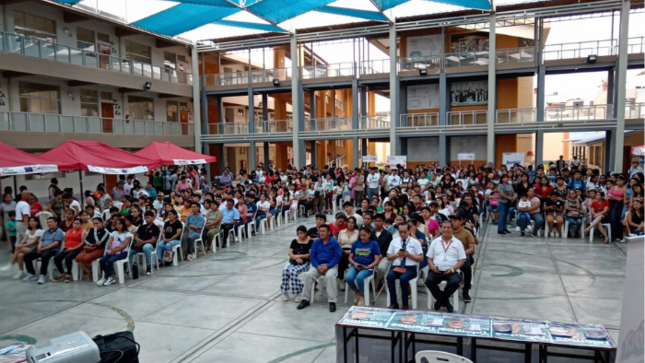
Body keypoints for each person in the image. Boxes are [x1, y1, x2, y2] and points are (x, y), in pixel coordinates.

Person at [297, 224, 342, 312]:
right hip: (317, 266)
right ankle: (305, 299)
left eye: (323, 231)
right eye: (320, 231)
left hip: (331, 266)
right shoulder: (316, 242)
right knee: (308, 275)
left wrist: (328, 266)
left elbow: (337, 257)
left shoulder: (335, 243)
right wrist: (317, 266)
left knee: (329, 276)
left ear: (329, 232)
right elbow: (312, 257)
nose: (321, 233)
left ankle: (332, 302)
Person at [425, 220, 466, 313]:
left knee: (455, 282)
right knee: (429, 281)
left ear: (452, 229)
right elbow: (429, 258)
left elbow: (462, 260)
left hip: (452, 270)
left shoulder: (458, 243)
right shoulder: (435, 242)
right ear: (440, 229)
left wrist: (452, 269)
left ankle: (440, 301)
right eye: (444, 227)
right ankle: (445, 302)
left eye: (448, 227)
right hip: (437, 270)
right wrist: (432, 267)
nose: (446, 229)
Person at [386, 223, 424, 310]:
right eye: (400, 232)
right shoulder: (394, 241)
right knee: (390, 276)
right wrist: (397, 254)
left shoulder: (415, 242)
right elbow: (388, 257)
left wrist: (409, 255)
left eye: (404, 232)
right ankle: (393, 302)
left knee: (403, 278)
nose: (402, 234)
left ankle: (405, 303)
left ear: (409, 231)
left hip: (410, 268)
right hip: (397, 267)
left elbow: (421, 258)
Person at [345, 226, 382, 306]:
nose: (362, 237)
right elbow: (350, 258)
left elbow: (377, 259)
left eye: (364, 235)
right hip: (356, 265)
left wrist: (369, 266)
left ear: (369, 234)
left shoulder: (374, 244)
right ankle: (356, 291)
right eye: (361, 235)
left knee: (359, 277)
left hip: (367, 267)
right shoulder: (356, 243)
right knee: (348, 277)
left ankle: (362, 295)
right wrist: (354, 264)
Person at [22, 217, 65, 284]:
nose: (49, 224)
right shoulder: (46, 231)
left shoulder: (59, 231)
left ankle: (42, 275)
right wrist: (39, 248)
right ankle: (32, 273)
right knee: (26, 256)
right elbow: (41, 241)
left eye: (51, 222)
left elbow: (56, 243)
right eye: (48, 222)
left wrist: (43, 249)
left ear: (56, 222)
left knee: (44, 256)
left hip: (52, 249)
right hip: (41, 248)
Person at [280, 225, 314, 302]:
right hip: (293, 261)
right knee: (285, 270)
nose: (299, 235)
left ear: (305, 233)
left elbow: (309, 255)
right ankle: (284, 292)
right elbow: (290, 252)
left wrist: (299, 256)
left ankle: (299, 292)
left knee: (293, 272)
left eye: (301, 233)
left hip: (304, 262)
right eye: (298, 233)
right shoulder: (295, 241)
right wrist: (296, 258)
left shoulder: (310, 242)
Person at [96, 218, 132, 286]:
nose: (118, 226)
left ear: (123, 224)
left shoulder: (127, 234)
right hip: (112, 251)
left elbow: (125, 246)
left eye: (120, 224)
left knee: (110, 260)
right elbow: (109, 243)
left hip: (122, 252)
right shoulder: (114, 233)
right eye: (117, 224)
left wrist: (116, 250)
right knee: (102, 260)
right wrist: (111, 248)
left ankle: (105, 277)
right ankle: (109, 277)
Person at [449, 213, 476, 302]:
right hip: (449, 258)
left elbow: (472, 248)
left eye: (455, 221)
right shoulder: (447, 231)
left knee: (467, 268)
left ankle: (466, 291)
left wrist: (461, 253)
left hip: (462, 258)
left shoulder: (467, 233)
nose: (452, 223)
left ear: (461, 221)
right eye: (451, 221)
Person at [52, 218, 85, 283]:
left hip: (77, 249)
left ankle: (69, 274)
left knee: (68, 258)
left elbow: (82, 242)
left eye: (78, 223)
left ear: (81, 224)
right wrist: (64, 247)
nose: (75, 225)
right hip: (67, 248)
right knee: (56, 258)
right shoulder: (69, 231)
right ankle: (61, 272)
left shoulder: (83, 231)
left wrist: (73, 248)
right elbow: (64, 241)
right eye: (74, 223)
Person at [130, 211, 160, 275]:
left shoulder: (156, 228)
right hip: (140, 245)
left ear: (153, 218)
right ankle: (131, 268)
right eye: (145, 218)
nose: (146, 219)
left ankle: (148, 266)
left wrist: (142, 242)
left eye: (148, 217)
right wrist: (138, 241)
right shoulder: (142, 227)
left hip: (150, 245)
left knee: (146, 247)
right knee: (129, 252)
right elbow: (136, 236)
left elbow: (153, 240)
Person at [337, 216, 358, 291]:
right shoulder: (342, 232)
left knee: (342, 257)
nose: (350, 224)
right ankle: (344, 273)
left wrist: (350, 252)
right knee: (341, 256)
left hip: (353, 251)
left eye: (352, 222)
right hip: (342, 250)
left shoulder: (358, 233)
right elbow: (338, 244)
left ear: (355, 224)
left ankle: (342, 276)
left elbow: (358, 245)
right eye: (349, 222)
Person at [373, 213, 393, 287]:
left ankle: (377, 282)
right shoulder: (371, 233)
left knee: (381, 268)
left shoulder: (388, 234)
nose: (377, 222)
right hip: (372, 255)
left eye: (379, 221)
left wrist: (380, 256)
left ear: (383, 222)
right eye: (375, 221)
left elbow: (387, 248)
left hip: (384, 256)